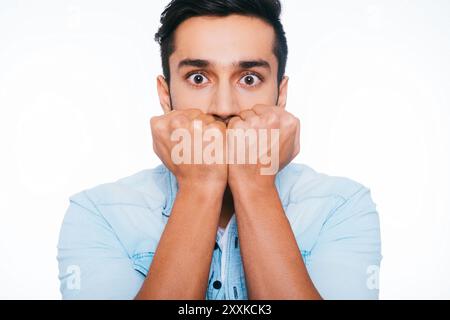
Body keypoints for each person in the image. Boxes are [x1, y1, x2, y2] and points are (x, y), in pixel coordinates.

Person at [57, 0, 381, 300]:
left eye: (250, 79)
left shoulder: (342, 207)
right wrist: (200, 186)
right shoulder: (98, 214)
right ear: (165, 94)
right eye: (198, 78)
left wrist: (255, 185)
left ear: (280, 96)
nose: (224, 107)